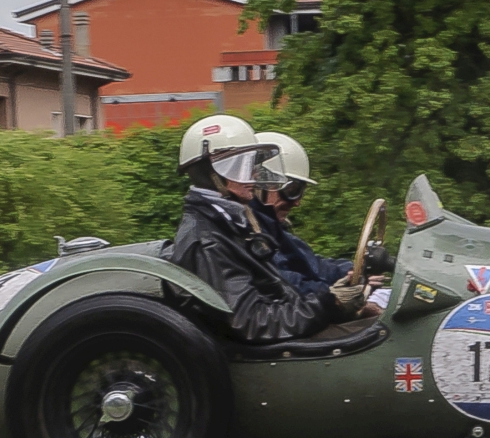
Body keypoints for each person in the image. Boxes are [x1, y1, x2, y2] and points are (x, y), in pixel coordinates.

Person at [163, 115, 361, 342]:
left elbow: (278, 293)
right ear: (214, 172)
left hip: (289, 333)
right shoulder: (209, 240)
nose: (255, 175)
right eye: (243, 165)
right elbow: (253, 322)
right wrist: (328, 304)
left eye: (252, 164)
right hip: (271, 350)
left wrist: (332, 300)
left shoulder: (228, 223)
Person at [249, 132, 396, 312]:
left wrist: (355, 272)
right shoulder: (250, 235)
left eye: (300, 191)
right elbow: (284, 282)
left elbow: (315, 266)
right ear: (260, 185)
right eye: (292, 190)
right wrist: (337, 294)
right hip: (288, 321)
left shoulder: (271, 229)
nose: (297, 202)